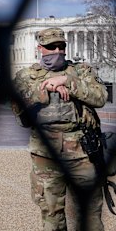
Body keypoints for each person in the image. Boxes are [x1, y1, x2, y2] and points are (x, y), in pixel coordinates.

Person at [12, 27, 108, 230]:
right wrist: (44, 88)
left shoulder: (81, 71)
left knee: (90, 213)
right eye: (50, 46)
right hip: (46, 154)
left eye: (61, 46)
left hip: (83, 153)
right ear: (40, 48)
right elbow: (16, 105)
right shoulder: (27, 75)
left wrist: (68, 81)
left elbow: (100, 97)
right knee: (51, 214)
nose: (57, 51)